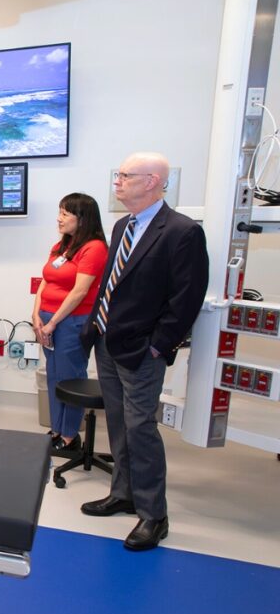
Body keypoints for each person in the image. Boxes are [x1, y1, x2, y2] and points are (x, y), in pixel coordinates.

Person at [79, 152, 209, 551]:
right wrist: (95, 327)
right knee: (118, 423)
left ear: (152, 181)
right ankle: (123, 493)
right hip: (108, 341)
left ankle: (154, 515)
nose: (117, 181)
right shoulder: (123, 226)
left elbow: (186, 299)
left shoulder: (182, 232)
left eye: (125, 175)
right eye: (117, 174)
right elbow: (112, 283)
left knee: (141, 429)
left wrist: (158, 345)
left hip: (142, 349)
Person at [32, 193, 108, 454]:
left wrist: (52, 323)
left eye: (65, 214)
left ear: (82, 219)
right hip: (47, 320)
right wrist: (36, 315)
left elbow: (79, 292)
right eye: (59, 212)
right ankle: (56, 429)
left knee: (70, 378)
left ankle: (69, 436)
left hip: (71, 322)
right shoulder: (62, 245)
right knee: (54, 376)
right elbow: (45, 281)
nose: (59, 218)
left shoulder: (94, 248)